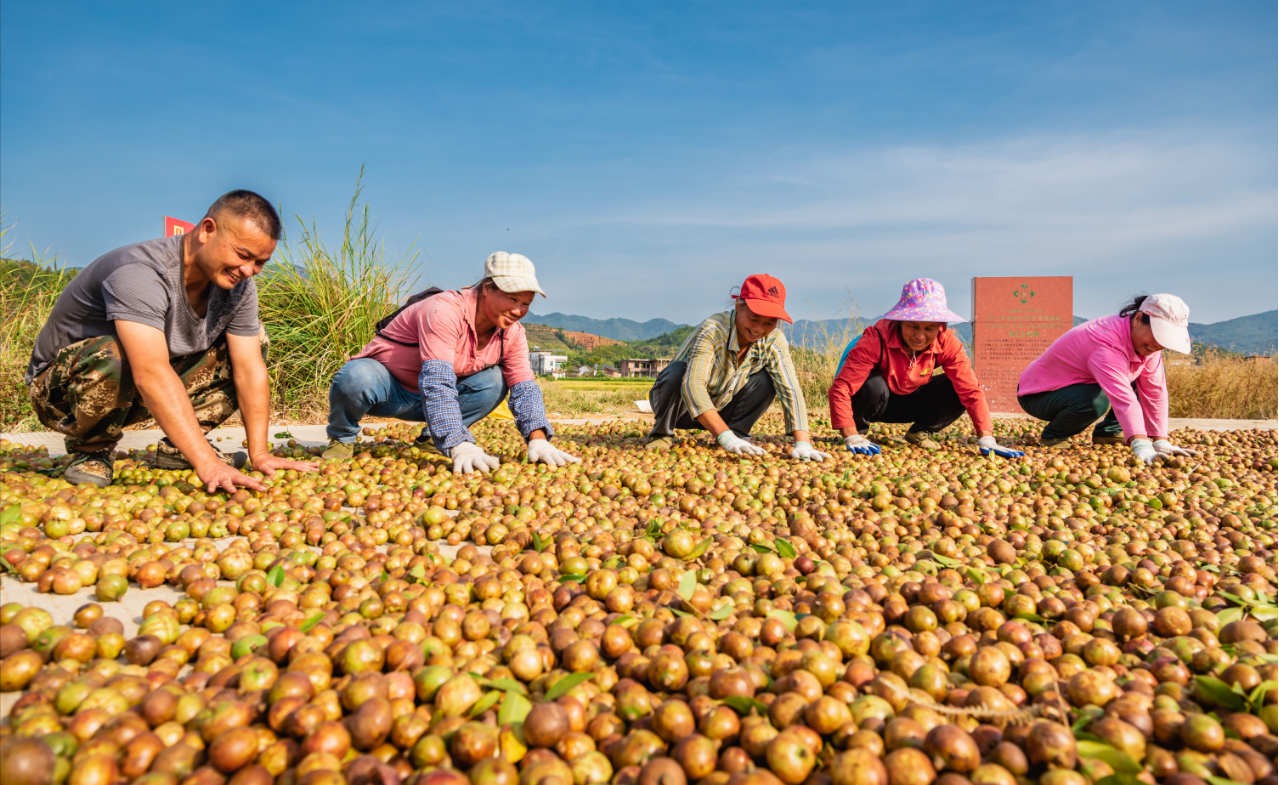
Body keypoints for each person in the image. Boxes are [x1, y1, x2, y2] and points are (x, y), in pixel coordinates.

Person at [26, 190, 318, 491]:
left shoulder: (240, 288)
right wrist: (208, 463)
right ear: (207, 230)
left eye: (260, 262)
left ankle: (181, 448)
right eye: (242, 254)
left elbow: (249, 369)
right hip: (63, 393)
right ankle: (92, 450)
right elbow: (150, 372)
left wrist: (260, 453)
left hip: (137, 387)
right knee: (113, 353)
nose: (247, 270)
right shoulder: (141, 272)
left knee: (255, 339)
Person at [324, 252, 578, 474]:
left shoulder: (513, 334)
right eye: (512, 299)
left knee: (495, 380)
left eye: (526, 304)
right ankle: (342, 436)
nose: (518, 310)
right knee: (357, 375)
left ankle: (431, 438)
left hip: (432, 405)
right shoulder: (444, 310)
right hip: (388, 392)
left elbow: (524, 388)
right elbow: (437, 380)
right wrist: (457, 442)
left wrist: (538, 439)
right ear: (487, 288)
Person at [827, 278, 1024, 459]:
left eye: (929, 328)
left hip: (911, 402)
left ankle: (921, 431)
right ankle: (860, 434)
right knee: (872, 385)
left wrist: (987, 437)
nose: (920, 337)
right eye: (913, 327)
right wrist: (850, 434)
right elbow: (842, 388)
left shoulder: (947, 342)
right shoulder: (875, 339)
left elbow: (970, 391)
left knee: (956, 386)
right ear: (900, 322)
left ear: (941, 326)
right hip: (875, 402)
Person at [646, 274, 830, 461]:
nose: (759, 329)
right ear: (737, 306)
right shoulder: (714, 329)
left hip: (722, 408)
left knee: (766, 380)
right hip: (679, 409)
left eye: (769, 322)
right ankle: (662, 433)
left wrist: (803, 443)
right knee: (678, 371)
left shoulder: (774, 339)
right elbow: (693, 385)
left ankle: (737, 434)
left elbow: (790, 389)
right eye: (754, 318)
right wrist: (725, 437)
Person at [1017, 294, 1197, 464]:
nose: (1159, 345)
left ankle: (1109, 432)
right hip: (1040, 394)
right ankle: (1054, 434)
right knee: (1097, 399)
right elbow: (1123, 398)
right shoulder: (1105, 342)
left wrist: (1160, 441)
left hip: (1082, 385)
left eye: (1165, 340)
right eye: (1158, 335)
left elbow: (1154, 392)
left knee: (1137, 381)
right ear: (1137, 319)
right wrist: (1141, 444)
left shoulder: (1149, 346)